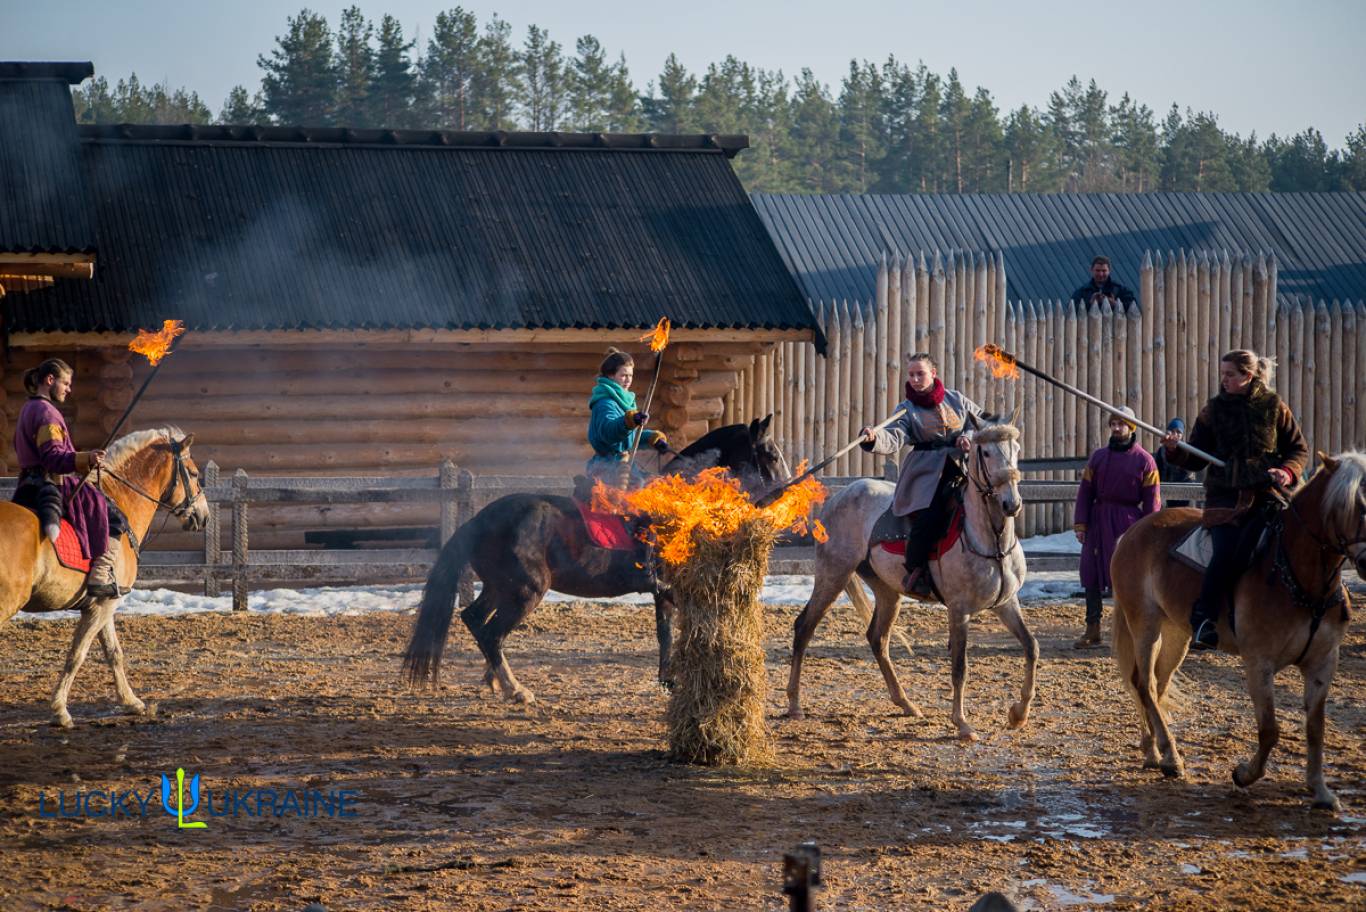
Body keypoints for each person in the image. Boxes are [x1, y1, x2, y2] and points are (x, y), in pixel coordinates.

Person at [1161, 350, 1308, 651]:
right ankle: (1204, 618)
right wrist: (1176, 450)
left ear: (1248, 376)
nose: (1223, 380)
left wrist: (1285, 471)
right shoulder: (1212, 412)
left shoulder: (1274, 407)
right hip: (1226, 501)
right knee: (1227, 552)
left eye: (1230, 374)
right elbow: (1195, 460)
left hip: (1269, 495)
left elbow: (1298, 449)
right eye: (1223, 373)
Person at [859, 353, 982, 596]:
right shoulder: (906, 410)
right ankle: (917, 569)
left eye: (920, 374)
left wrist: (967, 436)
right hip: (926, 473)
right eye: (911, 375)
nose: (915, 379)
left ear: (933, 374)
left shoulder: (955, 399)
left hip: (961, 468)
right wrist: (874, 438)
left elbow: (978, 420)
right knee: (930, 515)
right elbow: (894, 437)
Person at [12, 358, 126, 598]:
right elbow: (52, 458)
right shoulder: (47, 413)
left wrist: (85, 458)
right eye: (65, 383)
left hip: (27, 484)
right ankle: (99, 577)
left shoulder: (27, 408)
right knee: (114, 517)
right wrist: (86, 459)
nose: (69, 389)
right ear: (49, 380)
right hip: (50, 483)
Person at [1072, 407, 1161, 648]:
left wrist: (1147, 533)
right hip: (1098, 521)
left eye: (1121, 424)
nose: (1116, 428)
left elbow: (1152, 500)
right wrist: (1081, 524)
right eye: (1113, 424)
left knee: (1125, 577)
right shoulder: (1098, 458)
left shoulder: (1145, 461)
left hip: (1127, 524)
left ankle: (1127, 630)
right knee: (1090, 573)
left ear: (1131, 427)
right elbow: (1085, 493)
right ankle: (1092, 628)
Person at [586, 348, 669, 489]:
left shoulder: (625, 400)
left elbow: (628, 438)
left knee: (655, 484)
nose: (628, 380)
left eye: (630, 375)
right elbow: (609, 433)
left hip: (623, 464)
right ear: (611, 375)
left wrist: (651, 438)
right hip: (607, 467)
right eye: (623, 375)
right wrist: (630, 421)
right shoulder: (605, 403)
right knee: (638, 491)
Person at [1154, 417, 1198, 507]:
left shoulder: (1187, 450)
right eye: (1173, 431)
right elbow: (1157, 471)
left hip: (1184, 491)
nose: (1175, 434)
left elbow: (1189, 473)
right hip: (1165, 490)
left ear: (1182, 435)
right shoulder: (1161, 451)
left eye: (1179, 432)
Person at [1071, 256, 1135, 309]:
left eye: (1104, 271)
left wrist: (1114, 304)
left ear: (1109, 271)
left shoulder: (1120, 290)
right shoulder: (1082, 291)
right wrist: (1090, 303)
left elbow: (1133, 306)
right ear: (1091, 270)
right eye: (1098, 270)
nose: (1101, 274)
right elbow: (1071, 309)